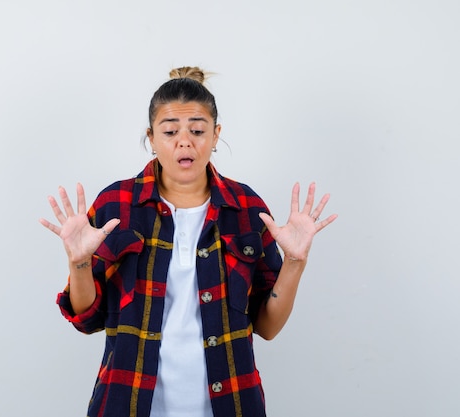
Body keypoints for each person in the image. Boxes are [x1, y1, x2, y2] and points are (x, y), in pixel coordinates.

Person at [39, 66, 337, 417]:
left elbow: (268, 327)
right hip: (127, 402)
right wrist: (79, 264)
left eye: (197, 130)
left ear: (215, 135)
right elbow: (87, 319)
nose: (185, 141)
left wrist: (295, 262)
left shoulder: (247, 208)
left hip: (231, 404)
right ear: (151, 137)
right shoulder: (116, 205)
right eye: (170, 131)